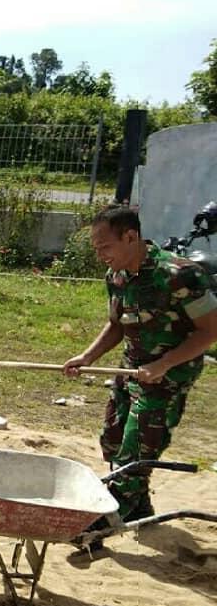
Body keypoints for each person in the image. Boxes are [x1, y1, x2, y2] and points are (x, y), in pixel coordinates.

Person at [64, 205, 217, 523]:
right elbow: (117, 324)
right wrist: (88, 356)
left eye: (105, 246)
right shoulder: (117, 276)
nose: (100, 255)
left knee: (136, 450)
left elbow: (211, 330)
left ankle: (104, 522)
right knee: (113, 439)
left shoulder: (179, 275)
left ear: (130, 236)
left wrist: (164, 364)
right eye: (97, 248)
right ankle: (139, 504)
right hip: (130, 368)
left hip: (169, 376)